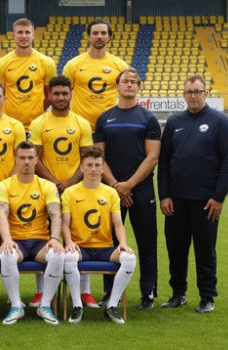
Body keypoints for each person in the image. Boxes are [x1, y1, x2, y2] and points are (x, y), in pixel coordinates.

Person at [158, 75, 228, 313]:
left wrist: (219, 197)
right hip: (176, 200)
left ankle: (207, 296)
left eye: (197, 91)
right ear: (184, 94)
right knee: (176, 250)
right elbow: (164, 161)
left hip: (206, 202)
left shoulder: (220, 121)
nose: (193, 96)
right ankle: (178, 293)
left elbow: (227, 162)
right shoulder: (174, 123)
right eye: (189, 92)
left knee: (205, 251)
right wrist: (164, 195)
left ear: (206, 93)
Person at [94, 67, 161, 310]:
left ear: (139, 87)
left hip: (140, 190)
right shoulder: (105, 118)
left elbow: (152, 157)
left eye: (134, 81)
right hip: (111, 190)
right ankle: (109, 293)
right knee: (109, 242)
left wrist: (129, 185)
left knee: (146, 242)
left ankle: (148, 293)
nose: (130, 85)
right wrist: (115, 186)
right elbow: (98, 157)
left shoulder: (147, 119)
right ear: (117, 86)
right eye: (125, 81)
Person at [29, 75, 95, 307]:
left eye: (64, 94)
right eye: (55, 94)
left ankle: (85, 292)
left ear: (70, 95)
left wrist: (70, 182)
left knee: (81, 236)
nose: (60, 98)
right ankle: (41, 292)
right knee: (43, 238)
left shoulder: (81, 123)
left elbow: (87, 157)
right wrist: (55, 181)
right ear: (49, 95)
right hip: (47, 190)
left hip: (78, 190)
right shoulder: (39, 123)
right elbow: (34, 157)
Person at [61, 146, 136, 324]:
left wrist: (123, 243)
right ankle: (77, 306)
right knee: (69, 257)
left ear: (103, 168)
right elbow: (65, 224)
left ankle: (111, 306)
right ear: (82, 167)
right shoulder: (70, 193)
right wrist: (69, 241)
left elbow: (118, 223)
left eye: (97, 165)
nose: (93, 169)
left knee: (130, 259)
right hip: (81, 247)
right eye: (89, 165)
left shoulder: (110, 193)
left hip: (105, 248)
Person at [0, 141, 64, 325]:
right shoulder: (4, 185)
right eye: (22, 158)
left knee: (57, 254)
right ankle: (16, 306)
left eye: (30, 158)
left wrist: (54, 239)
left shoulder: (47, 186)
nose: (26, 162)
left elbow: (55, 214)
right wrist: (7, 239)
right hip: (17, 241)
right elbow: (1, 214)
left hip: (41, 241)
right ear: (15, 160)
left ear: (36, 160)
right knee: (7, 254)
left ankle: (45, 305)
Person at [62, 19, 129, 130]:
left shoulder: (120, 66)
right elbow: (63, 95)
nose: (99, 36)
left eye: (103, 33)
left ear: (109, 37)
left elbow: (127, 95)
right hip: (79, 128)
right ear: (89, 37)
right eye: (95, 33)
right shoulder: (73, 65)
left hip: (109, 128)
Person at [0, 18, 57, 128]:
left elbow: (50, 95)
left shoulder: (47, 63)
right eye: (20, 32)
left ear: (33, 35)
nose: (24, 36)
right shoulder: (1, 64)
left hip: (37, 126)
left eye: (27, 32)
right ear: (13, 35)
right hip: (9, 126)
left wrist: (39, 112)